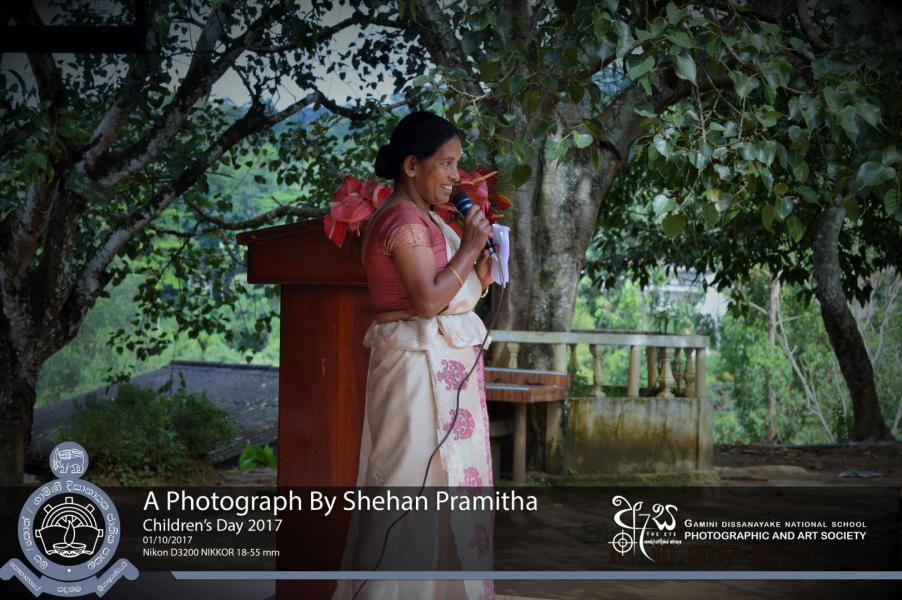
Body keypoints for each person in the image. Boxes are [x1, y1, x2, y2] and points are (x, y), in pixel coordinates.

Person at [333, 111, 496, 600]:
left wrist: (479, 274)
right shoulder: (402, 219)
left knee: (440, 492)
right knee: (406, 490)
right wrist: (470, 246)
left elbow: (446, 293)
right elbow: (426, 301)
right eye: (446, 164)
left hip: (436, 370)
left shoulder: (425, 217)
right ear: (411, 165)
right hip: (413, 373)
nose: (455, 176)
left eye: (457, 164)